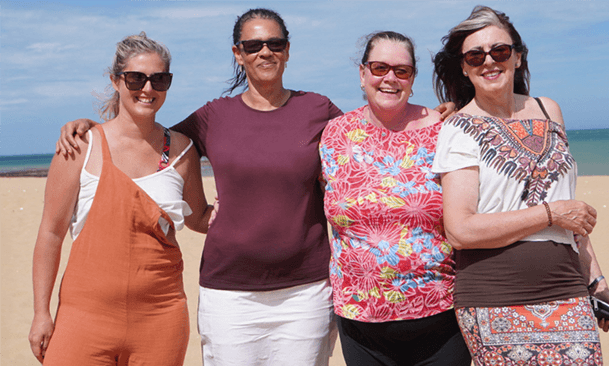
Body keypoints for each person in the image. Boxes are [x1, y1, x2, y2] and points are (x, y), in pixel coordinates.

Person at [55, 9, 455, 366]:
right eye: (253, 44)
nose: (265, 51)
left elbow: (372, 130)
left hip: (307, 291)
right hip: (229, 293)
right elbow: (148, 138)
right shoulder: (214, 116)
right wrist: (92, 128)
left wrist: (435, 116)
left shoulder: (318, 110)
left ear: (287, 50)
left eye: (274, 43)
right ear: (238, 53)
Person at [431, 6, 609, 365]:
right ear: (464, 67)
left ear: (518, 57)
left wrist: (598, 284)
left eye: (500, 51)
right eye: (475, 55)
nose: (489, 61)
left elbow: (570, 216)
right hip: (495, 296)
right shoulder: (457, 128)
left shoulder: (549, 110)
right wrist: (551, 213)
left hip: (568, 288)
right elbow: (460, 230)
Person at [28, 32, 212, 365]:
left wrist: (257, 208)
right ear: (116, 81)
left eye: (159, 79)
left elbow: (200, 217)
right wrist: (42, 312)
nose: (147, 89)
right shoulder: (80, 145)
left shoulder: (183, 150)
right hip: (83, 317)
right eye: (135, 78)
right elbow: (50, 234)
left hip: (161, 319)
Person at [319, 31, 471, 366]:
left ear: (413, 79)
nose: (390, 78)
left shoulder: (446, 130)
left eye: (402, 70)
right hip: (360, 320)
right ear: (362, 74)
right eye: (379, 68)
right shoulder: (334, 134)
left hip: (441, 317)